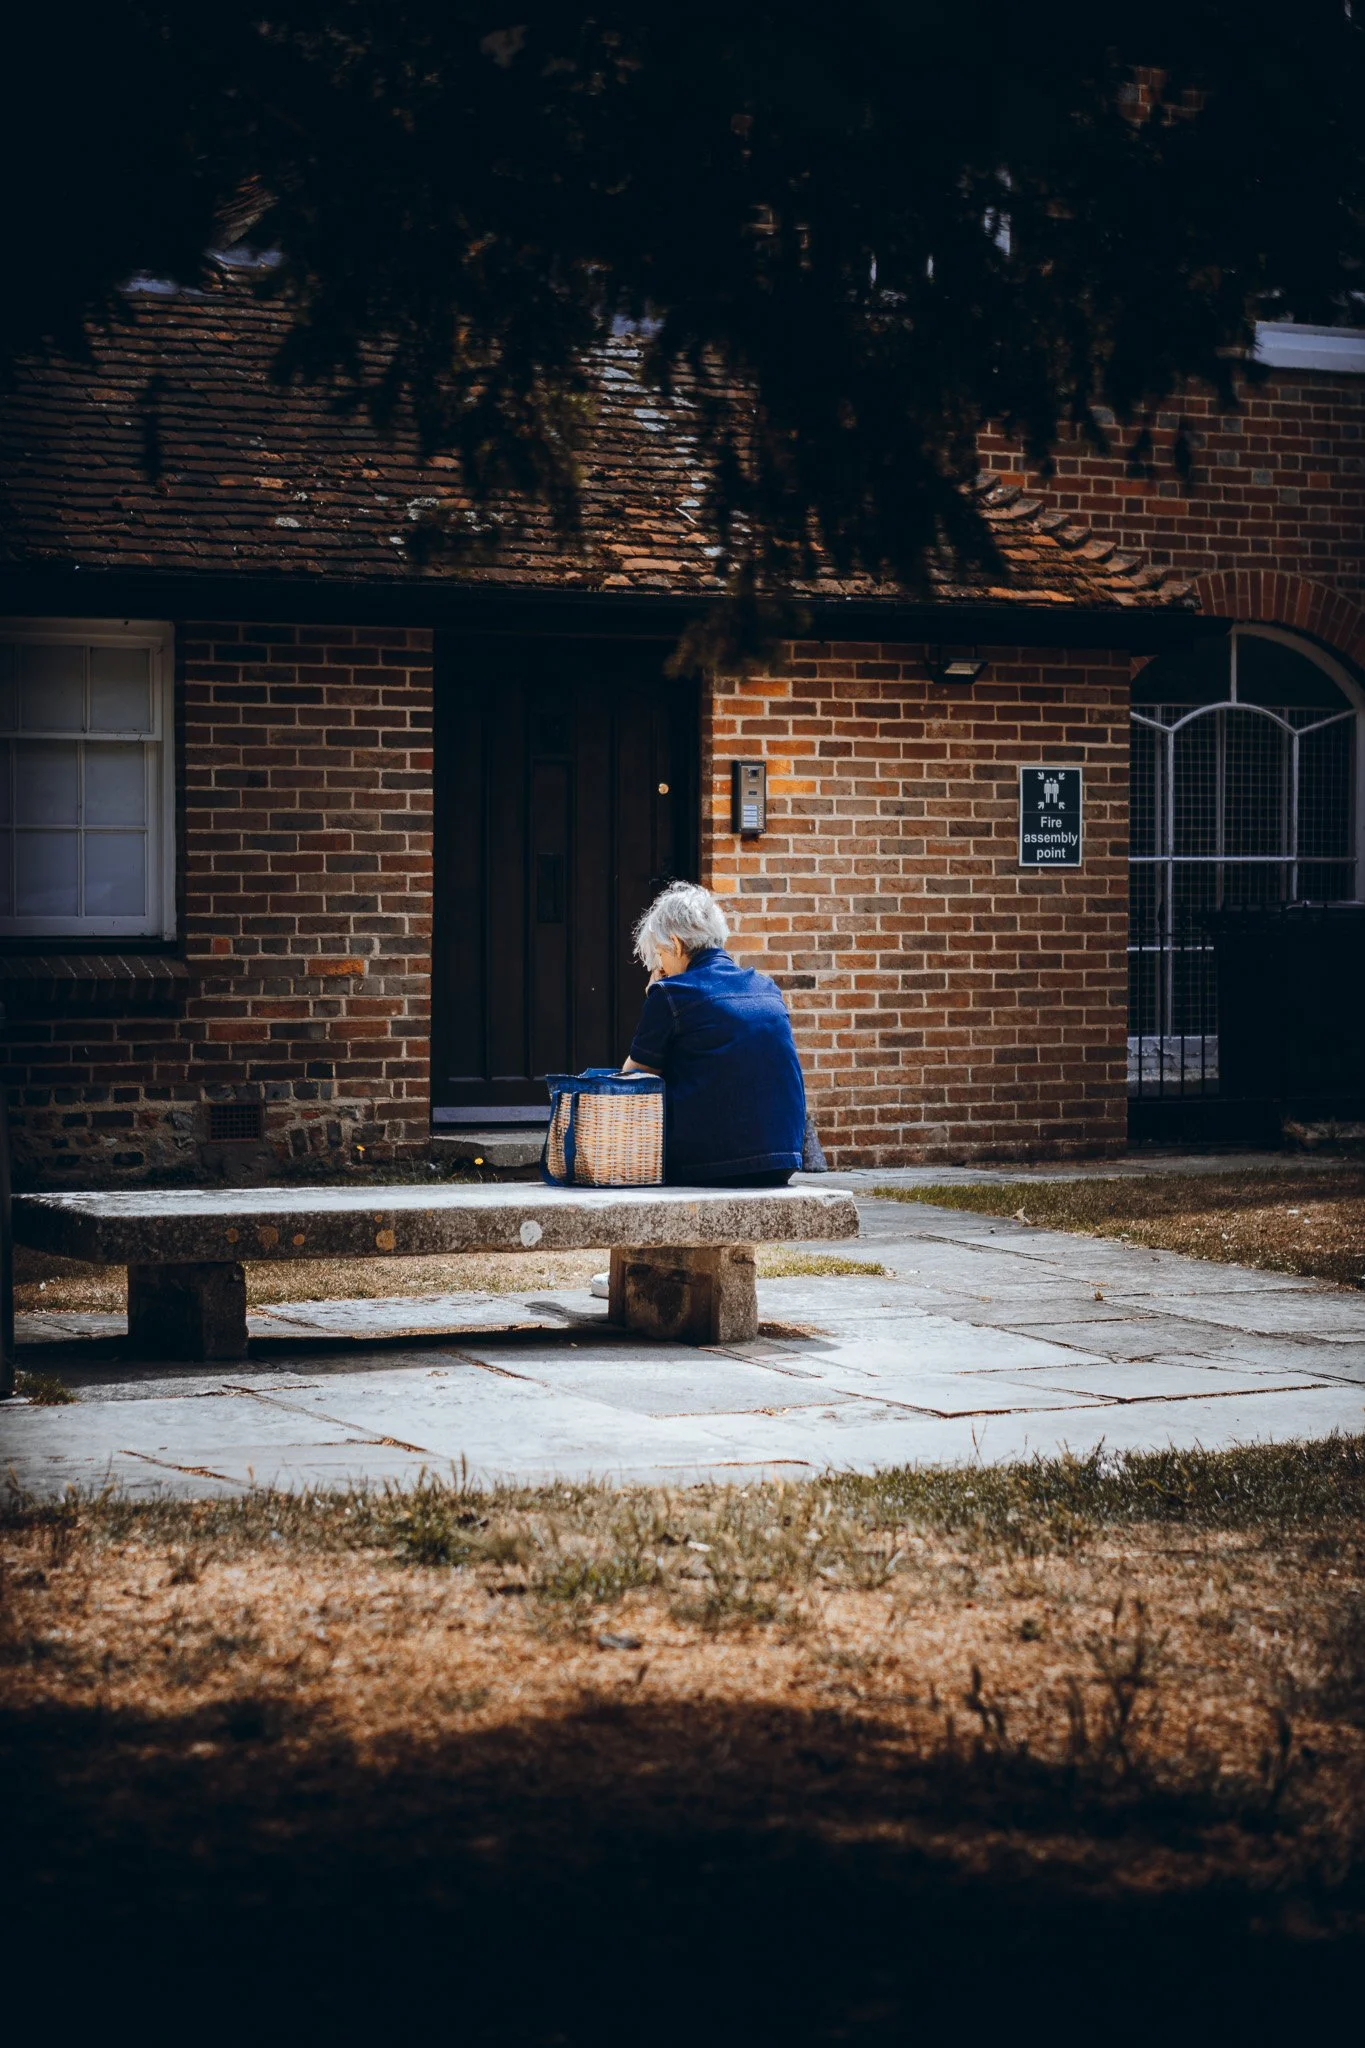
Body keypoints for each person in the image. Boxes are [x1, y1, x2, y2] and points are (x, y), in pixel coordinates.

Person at [623, 881, 806, 1186]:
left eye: (660, 954)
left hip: (711, 1164)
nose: (660, 966)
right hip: (782, 1159)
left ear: (677, 944)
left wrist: (656, 997)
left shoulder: (670, 993)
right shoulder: (766, 987)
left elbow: (633, 1081)